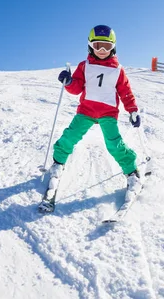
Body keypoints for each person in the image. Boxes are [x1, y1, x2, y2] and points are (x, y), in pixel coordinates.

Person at [46, 24, 142, 200]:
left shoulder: (118, 70)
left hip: (108, 113)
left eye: (107, 46)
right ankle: (58, 162)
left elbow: (126, 92)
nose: (103, 50)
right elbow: (76, 88)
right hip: (86, 110)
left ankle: (132, 173)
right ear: (90, 45)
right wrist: (68, 82)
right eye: (98, 45)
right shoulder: (85, 66)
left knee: (114, 144)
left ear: (114, 47)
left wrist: (133, 110)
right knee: (70, 136)